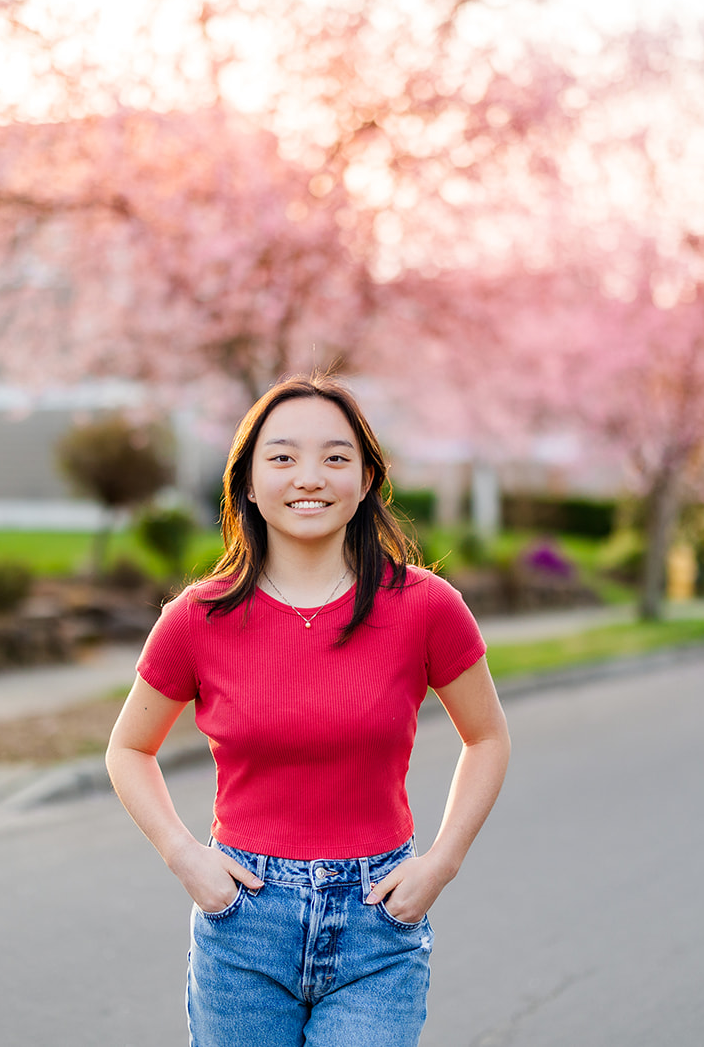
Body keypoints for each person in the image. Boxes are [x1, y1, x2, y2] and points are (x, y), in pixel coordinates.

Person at [106, 373, 511, 1046]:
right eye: (284, 456)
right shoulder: (198, 617)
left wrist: (442, 860)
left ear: (366, 478)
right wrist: (185, 856)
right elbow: (128, 748)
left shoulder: (426, 607)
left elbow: (489, 736)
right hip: (244, 923)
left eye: (335, 457)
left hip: (378, 925)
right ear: (248, 483)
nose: (310, 477)